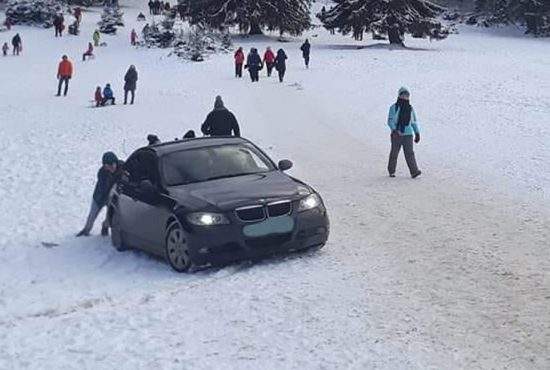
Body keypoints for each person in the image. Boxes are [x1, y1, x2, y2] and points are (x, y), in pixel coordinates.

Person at [76, 152, 125, 237]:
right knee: (92, 216)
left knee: (110, 216)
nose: (110, 168)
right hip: (100, 197)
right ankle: (86, 230)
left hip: (111, 198)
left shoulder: (122, 168)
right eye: (107, 166)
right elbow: (105, 187)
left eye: (112, 165)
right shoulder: (102, 173)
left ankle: (105, 226)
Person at [387, 87, 421, 178]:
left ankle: (414, 171)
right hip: (397, 134)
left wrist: (417, 133)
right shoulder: (394, 107)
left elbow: (413, 122)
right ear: (399, 96)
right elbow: (390, 120)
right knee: (394, 153)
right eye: (403, 95)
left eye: (407, 95)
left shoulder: (410, 108)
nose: (405, 97)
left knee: (409, 153)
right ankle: (391, 171)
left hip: (408, 134)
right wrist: (394, 130)